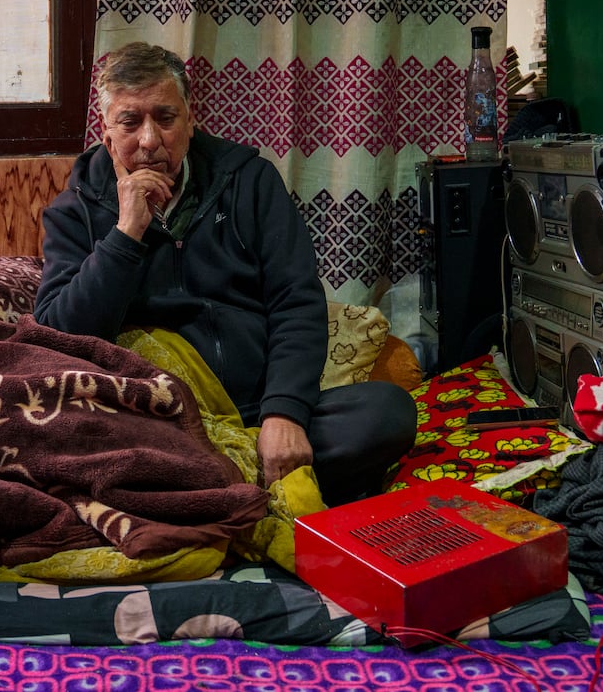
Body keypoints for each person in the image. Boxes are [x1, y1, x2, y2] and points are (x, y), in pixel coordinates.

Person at [34, 42, 417, 506]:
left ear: (191, 121)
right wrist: (126, 234)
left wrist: (285, 415)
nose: (150, 140)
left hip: (255, 410)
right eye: (131, 122)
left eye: (166, 117)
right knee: (63, 438)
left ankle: (196, 486)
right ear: (107, 133)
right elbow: (59, 336)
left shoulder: (250, 182)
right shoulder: (74, 211)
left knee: (387, 412)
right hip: (154, 419)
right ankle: (246, 484)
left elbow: (296, 302)